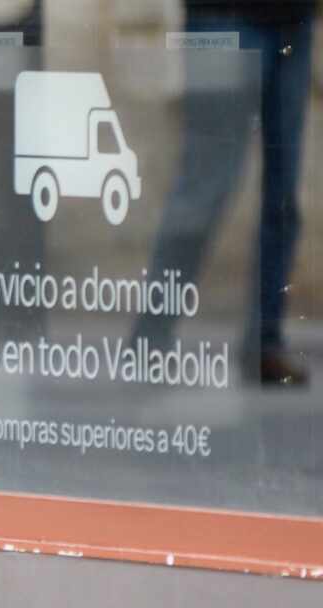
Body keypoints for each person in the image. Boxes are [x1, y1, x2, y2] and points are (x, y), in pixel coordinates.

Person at [136, 0, 317, 384]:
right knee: (203, 190)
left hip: (292, 22)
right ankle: (149, 341)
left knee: (283, 199)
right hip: (222, 17)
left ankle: (265, 343)